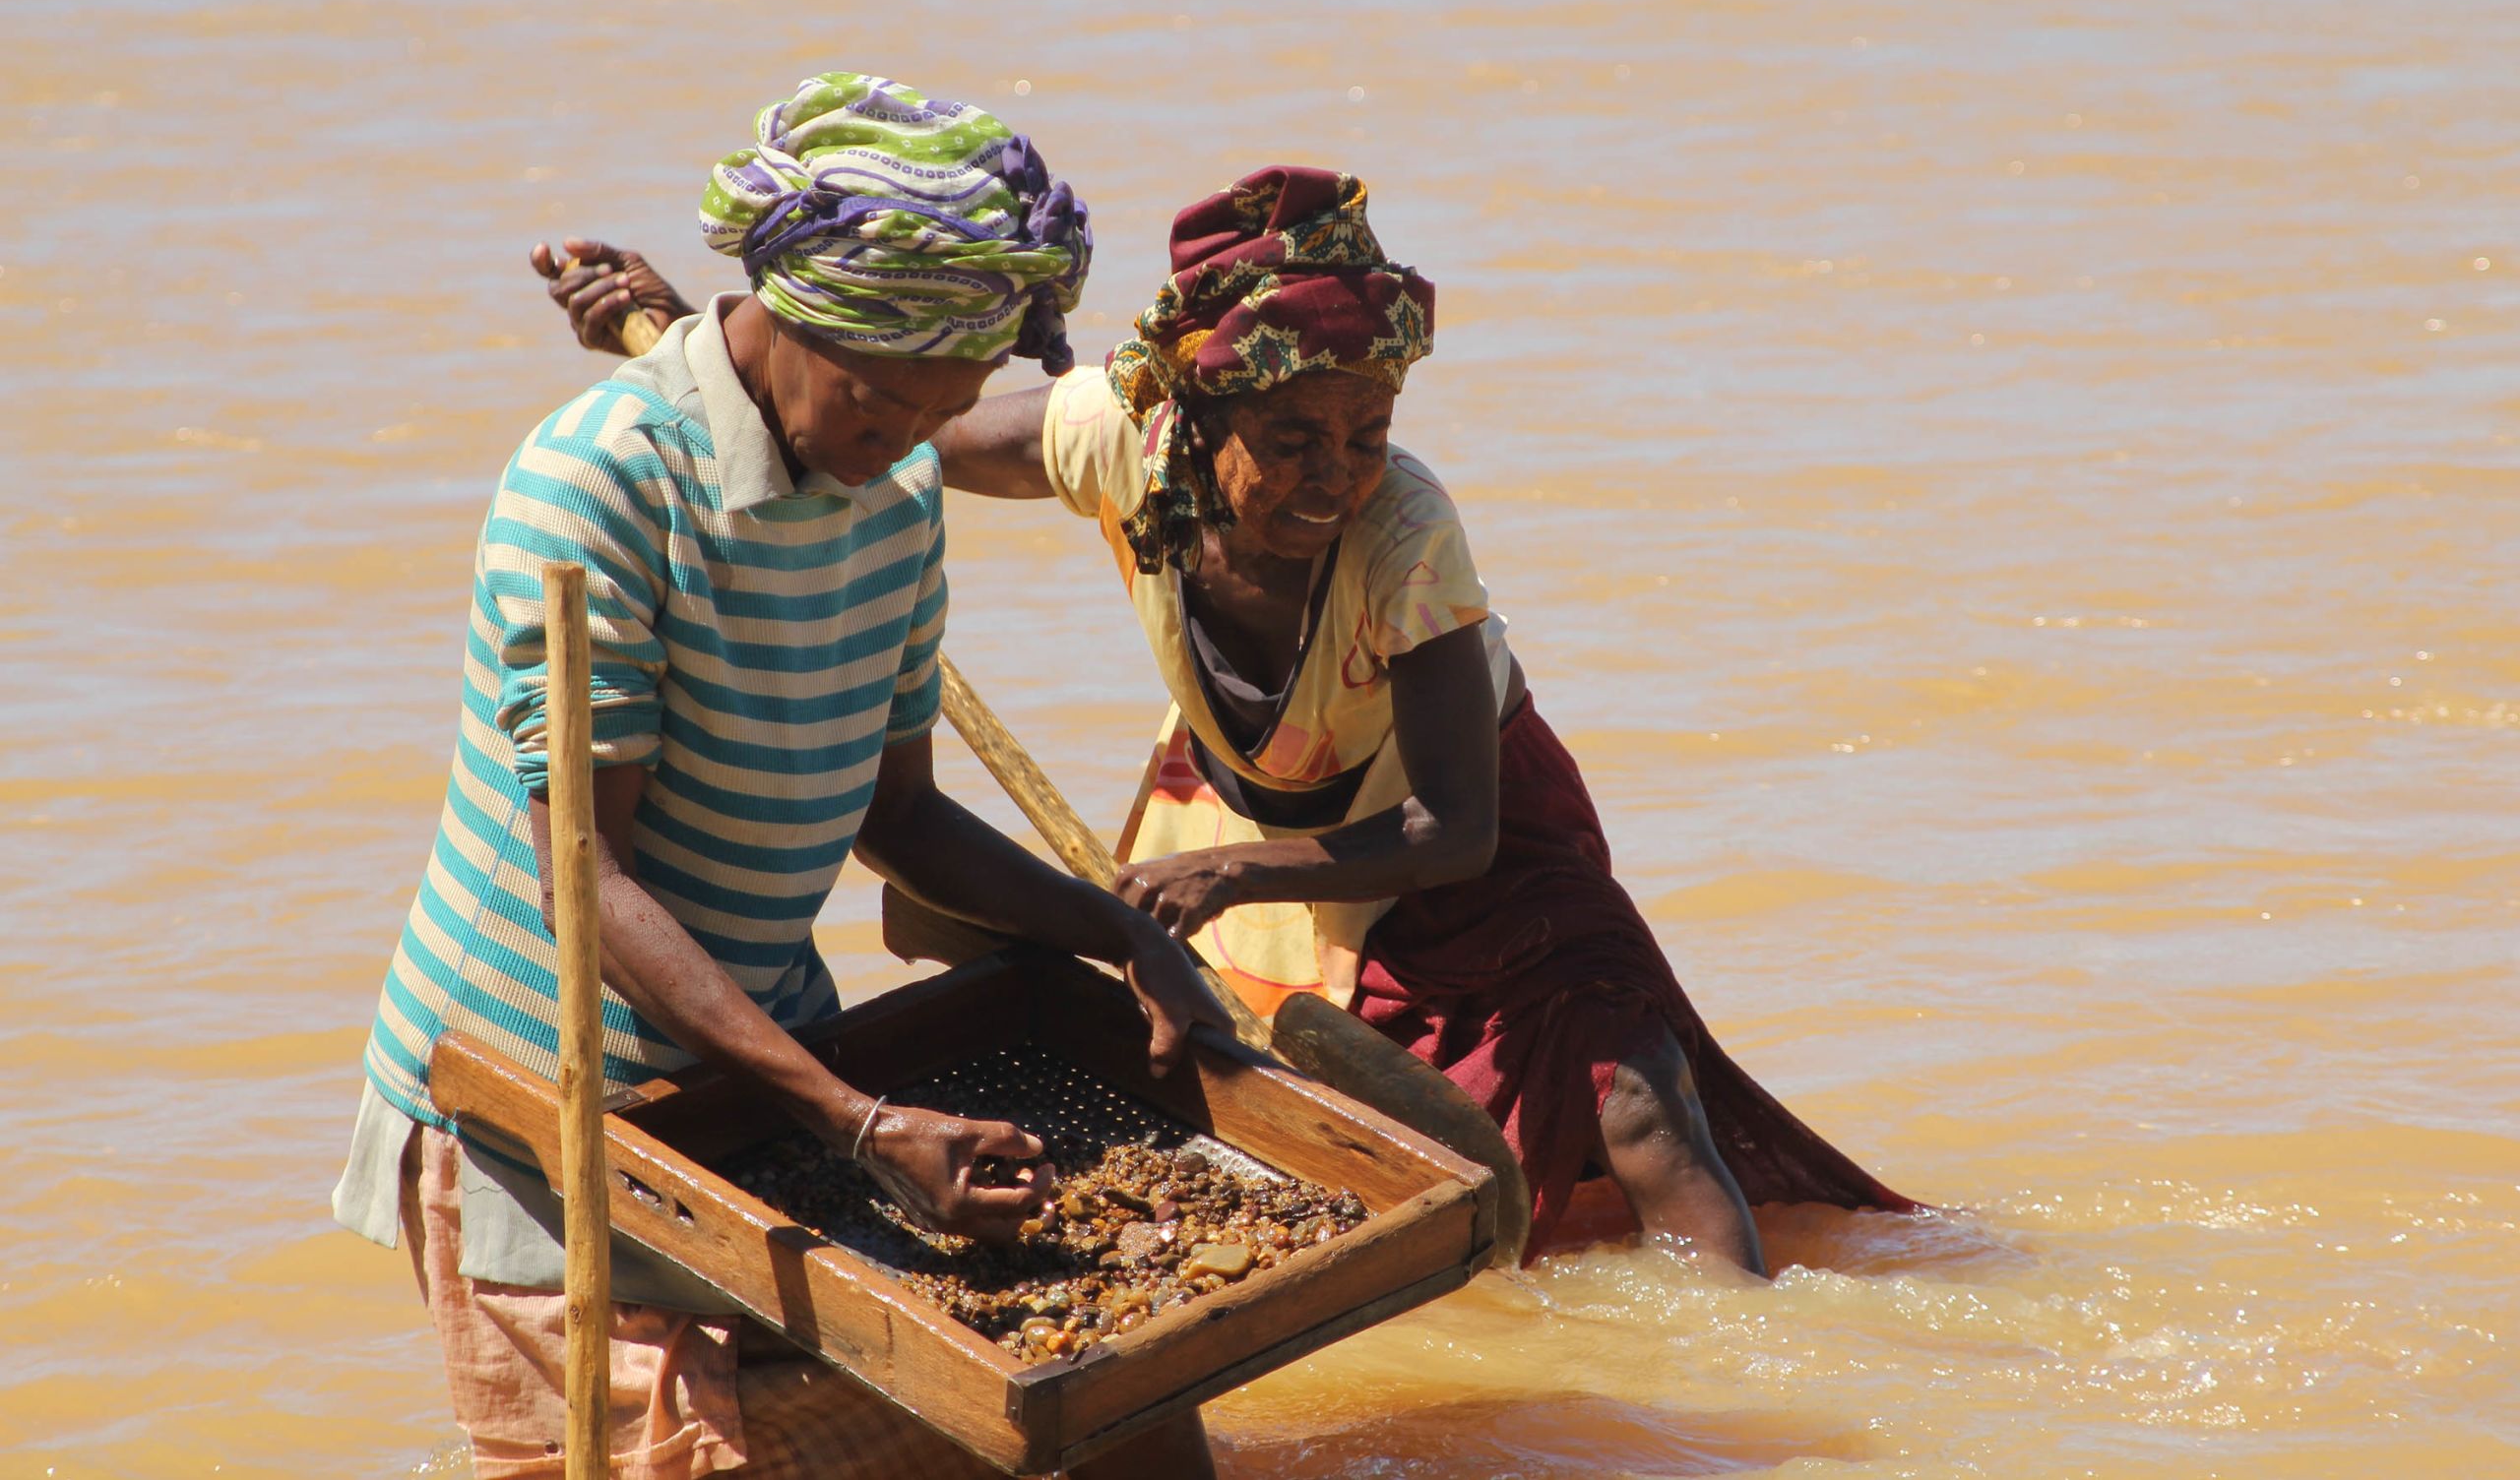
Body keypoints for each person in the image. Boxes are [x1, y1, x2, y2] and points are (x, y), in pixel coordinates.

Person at [538, 166, 1915, 1272]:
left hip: (1465, 830)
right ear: (1196, 424)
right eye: (1299, 441)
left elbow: (1453, 829)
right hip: (1251, 797)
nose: (1340, 476)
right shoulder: (1114, 438)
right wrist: (688, 334)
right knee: (1298, 1122)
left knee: (1636, 1108)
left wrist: (1230, 871)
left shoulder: (1406, 536)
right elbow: (883, 421)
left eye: (1367, 431)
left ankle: (1740, 1386)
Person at [338, 73, 1226, 1480]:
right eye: (877, 404)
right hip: (541, 1087)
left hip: (765, 1060)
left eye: (939, 409)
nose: (898, 445)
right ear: (788, 318)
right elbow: (591, 882)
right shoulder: (597, 489)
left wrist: (1117, 932)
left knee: (1114, 1417)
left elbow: (904, 816)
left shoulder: (902, 492)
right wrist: (857, 1122)